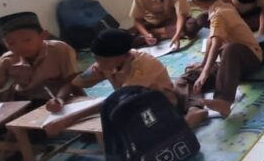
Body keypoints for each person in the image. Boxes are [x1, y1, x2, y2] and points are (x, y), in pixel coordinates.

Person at [58, 29, 208, 128]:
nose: (99, 63)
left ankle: (188, 121)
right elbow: (75, 82)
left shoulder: (144, 66)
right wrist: (59, 99)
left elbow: (117, 100)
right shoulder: (105, 63)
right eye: (96, 58)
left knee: (141, 134)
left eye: (103, 59)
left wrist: (70, 118)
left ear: (125, 56)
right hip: (132, 105)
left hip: (160, 109)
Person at [0, 12, 80, 122]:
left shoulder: (59, 49)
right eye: (11, 43)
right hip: (27, 103)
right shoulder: (8, 60)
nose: (20, 46)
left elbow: (72, 81)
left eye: (27, 40)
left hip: (60, 99)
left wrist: (59, 99)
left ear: (43, 35)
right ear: (4, 44)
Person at [182, 0, 263, 117]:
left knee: (230, 48)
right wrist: (202, 65)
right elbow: (211, 40)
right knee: (188, 77)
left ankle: (223, 101)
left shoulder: (220, 12)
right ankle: (194, 108)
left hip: (249, 58)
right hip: (227, 64)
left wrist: (205, 72)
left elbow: (216, 43)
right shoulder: (217, 9)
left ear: (195, 2)